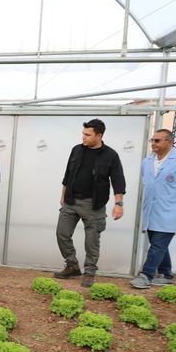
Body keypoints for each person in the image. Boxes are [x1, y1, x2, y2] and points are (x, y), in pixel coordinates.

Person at [54, 119, 126, 287]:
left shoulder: (111, 155)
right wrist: (63, 195)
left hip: (93, 205)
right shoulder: (77, 150)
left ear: (99, 135)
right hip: (71, 201)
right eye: (83, 133)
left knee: (91, 240)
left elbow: (118, 181)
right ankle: (72, 265)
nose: (83, 137)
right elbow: (68, 174)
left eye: (87, 134)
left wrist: (119, 204)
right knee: (62, 234)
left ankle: (90, 272)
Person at [130, 129, 176, 288]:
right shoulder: (147, 161)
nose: (153, 143)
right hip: (151, 211)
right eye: (152, 140)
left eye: (157, 140)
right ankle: (166, 274)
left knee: (157, 245)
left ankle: (146, 275)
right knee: (158, 244)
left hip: (171, 211)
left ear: (170, 142)